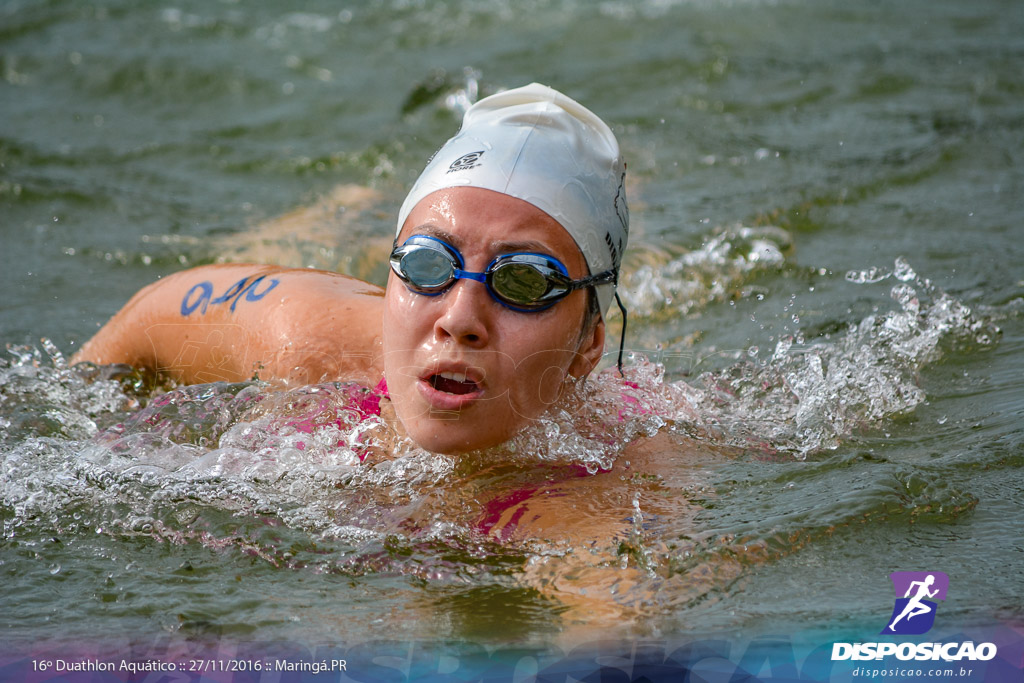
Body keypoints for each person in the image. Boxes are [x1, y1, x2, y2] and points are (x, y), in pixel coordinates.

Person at [73, 83, 630, 455]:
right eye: (425, 263)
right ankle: (348, 199)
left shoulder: (626, 463)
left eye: (524, 281)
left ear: (589, 344)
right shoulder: (307, 344)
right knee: (288, 235)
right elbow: (154, 313)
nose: (459, 319)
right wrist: (78, 407)